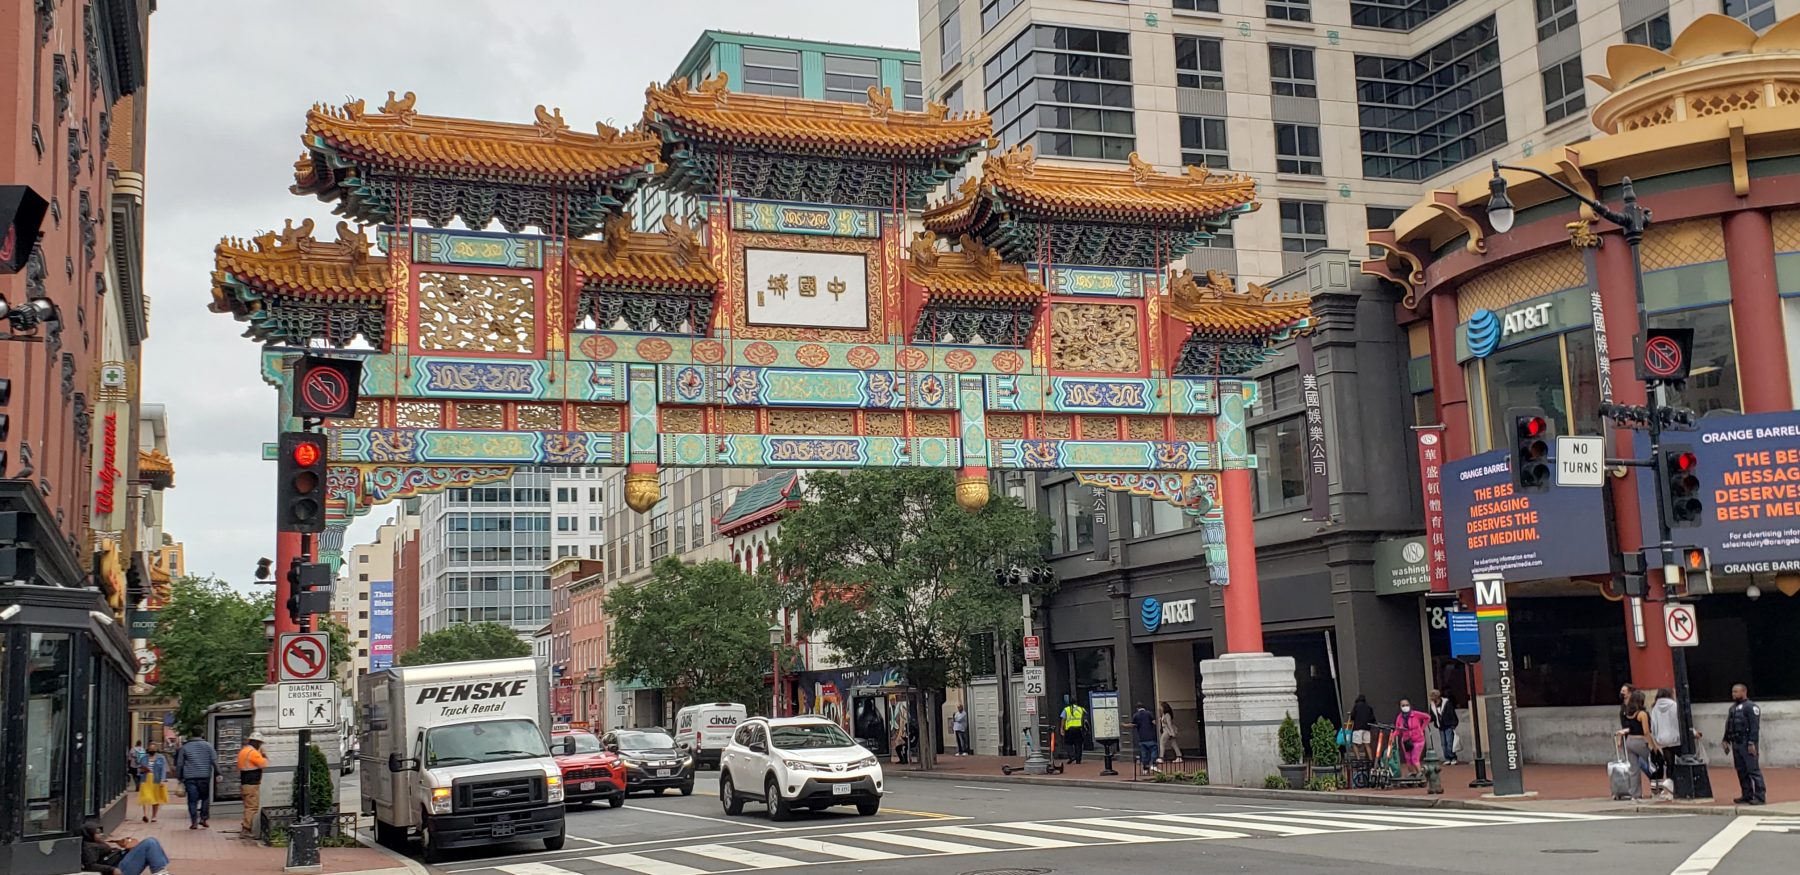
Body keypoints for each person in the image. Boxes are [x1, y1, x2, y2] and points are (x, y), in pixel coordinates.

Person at [1723, 683, 1765, 805]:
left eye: (1736, 692)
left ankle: (1760, 796)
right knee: (1741, 770)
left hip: (1747, 743)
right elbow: (1729, 725)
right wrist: (1725, 739)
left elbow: (1754, 727)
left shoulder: (1751, 707)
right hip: (1736, 743)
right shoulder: (1732, 708)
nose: (1733, 694)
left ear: (1744, 692)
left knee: (1753, 770)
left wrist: (1752, 742)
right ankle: (1747, 794)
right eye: (1732, 692)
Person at [81, 819, 174, 875]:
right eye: (97, 833)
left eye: (100, 832)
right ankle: (160, 871)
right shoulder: (88, 847)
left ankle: (161, 871)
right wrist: (112, 870)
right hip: (118, 869)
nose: (100, 835)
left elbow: (106, 853)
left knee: (152, 842)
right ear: (89, 834)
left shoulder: (96, 843)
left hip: (120, 862)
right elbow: (90, 865)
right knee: (150, 842)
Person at [1616, 689, 1657, 800]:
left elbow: (1629, 728)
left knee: (1633, 769)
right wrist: (1653, 745)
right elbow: (1646, 732)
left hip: (1629, 741)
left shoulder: (1628, 714)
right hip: (1640, 741)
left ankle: (1635, 794)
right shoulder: (1642, 714)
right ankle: (1657, 790)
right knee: (1654, 764)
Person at [174, 730, 217, 829]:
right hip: (204, 777)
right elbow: (214, 761)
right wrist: (219, 773)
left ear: (191, 735)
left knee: (192, 800)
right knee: (205, 798)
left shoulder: (185, 747)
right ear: (202, 734)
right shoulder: (208, 746)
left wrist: (179, 776)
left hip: (190, 778)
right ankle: (203, 818)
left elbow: (180, 764)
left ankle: (194, 822)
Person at [1648, 689, 1680, 801]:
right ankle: (1675, 785)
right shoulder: (1674, 705)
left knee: (1669, 763)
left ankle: (1670, 786)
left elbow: (1653, 725)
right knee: (1680, 762)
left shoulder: (1655, 708)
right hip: (1676, 738)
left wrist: (1657, 738)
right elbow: (1679, 721)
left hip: (1663, 739)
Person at [236, 732, 269, 837]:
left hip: (244, 783)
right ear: (255, 742)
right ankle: (246, 829)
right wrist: (264, 756)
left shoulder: (243, 751)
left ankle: (245, 827)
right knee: (252, 807)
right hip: (252, 784)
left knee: (247, 806)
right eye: (259, 743)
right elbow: (264, 764)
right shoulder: (253, 753)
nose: (260, 745)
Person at [1394, 699, 1430, 778]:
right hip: (1406, 741)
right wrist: (1393, 735)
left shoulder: (1415, 714)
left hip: (1418, 739)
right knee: (1408, 759)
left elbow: (1427, 717)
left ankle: (1421, 775)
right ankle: (1412, 775)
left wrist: (1422, 728)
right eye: (1403, 705)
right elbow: (1398, 729)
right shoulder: (1400, 717)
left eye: (1406, 705)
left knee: (1414, 758)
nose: (1405, 707)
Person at [137, 743, 169, 823]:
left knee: (155, 798)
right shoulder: (143, 758)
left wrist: (162, 780)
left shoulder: (161, 758)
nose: (152, 751)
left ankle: (154, 816)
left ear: (156, 750)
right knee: (145, 797)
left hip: (156, 780)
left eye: (153, 749)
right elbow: (139, 769)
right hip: (145, 779)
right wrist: (142, 770)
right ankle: (145, 815)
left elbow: (163, 769)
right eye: (150, 749)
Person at [1427, 689, 1459, 765]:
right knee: (1443, 743)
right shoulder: (1432, 705)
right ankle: (1447, 758)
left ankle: (1453, 757)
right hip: (1440, 726)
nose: (1431, 698)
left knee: (1449, 742)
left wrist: (1453, 724)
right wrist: (1428, 720)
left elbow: (1452, 714)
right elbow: (1432, 715)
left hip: (1448, 725)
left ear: (1437, 696)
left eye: (1432, 696)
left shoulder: (1446, 703)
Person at [1059, 695, 1088, 765]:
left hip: (1069, 729)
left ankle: (1072, 756)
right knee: (1078, 744)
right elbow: (1085, 718)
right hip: (1079, 729)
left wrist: (1061, 728)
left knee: (1068, 743)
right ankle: (1078, 759)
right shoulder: (1081, 709)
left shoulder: (1066, 709)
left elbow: (1063, 719)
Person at [1348, 694, 1377, 763]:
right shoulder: (1369, 707)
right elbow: (1373, 719)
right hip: (1367, 729)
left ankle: (1358, 760)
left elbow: (1352, 717)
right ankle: (1370, 761)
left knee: (1354, 744)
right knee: (1367, 744)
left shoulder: (1356, 706)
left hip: (1358, 728)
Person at [1130, 703, 1158, 774]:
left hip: (1142, 738)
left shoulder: (1136, 715)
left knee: (1144, 754)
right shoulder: (1149, 713)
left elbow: (1133, 725)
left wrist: (1124, 725)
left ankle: (1145, 769)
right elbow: (1154, 722)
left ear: (1137, 708)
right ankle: (1153, 764)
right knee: (1154, 750)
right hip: (1151, 736)